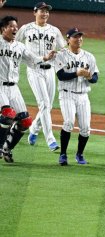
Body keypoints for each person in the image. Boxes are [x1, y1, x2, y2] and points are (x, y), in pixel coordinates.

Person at [0, 15, 55, 163]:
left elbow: (32, 58)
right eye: (11, 26)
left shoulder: (20, 46)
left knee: (25, 122)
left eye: (16, 26)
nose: (15, 29)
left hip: (14, 88)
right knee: (7, 115)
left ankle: (7, 148)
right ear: (3, 28)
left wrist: (45, 57)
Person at [15, 2, 65, 151]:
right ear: (34, 12)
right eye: (41, 11)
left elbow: (63, 48)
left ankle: (34, 129)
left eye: (46, 11)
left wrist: (59, 54)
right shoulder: (26, 28)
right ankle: (50, 140)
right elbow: (14, 46)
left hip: (50, 71)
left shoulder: (54, 30)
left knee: (47, 106)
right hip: (34, 70)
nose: (44, 14)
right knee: (43, 104)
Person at [54, 28, 99, 166]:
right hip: (66, 94)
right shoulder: (61, 55)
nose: (79, 39)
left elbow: (95, 78)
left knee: (85, 128)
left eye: (80, 37)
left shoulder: (89, 57)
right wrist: (77, 73)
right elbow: (61, 75)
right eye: (75, 37)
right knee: (68, 122)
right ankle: (63, 154)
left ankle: (79, 154)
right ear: (68, 40)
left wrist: (89, 76)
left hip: (83, 96)